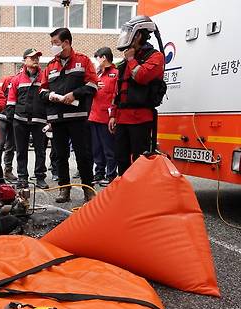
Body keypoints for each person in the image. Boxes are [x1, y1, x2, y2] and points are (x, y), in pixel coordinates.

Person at [39, 28, 98, 203]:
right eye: (52, 44)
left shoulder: (83, 61)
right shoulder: (50, 65)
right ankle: (64, 189)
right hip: (57, 119)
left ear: (66, 43)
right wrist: (48, 95)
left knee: (83, 154)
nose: (53, 47)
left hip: (78, 118)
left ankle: (88, 188)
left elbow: (93, 85)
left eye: (55, 43)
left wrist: (75, 94)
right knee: (60, 155)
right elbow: (42, 89)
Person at [108, 16, 165, 175]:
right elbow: (117, 90)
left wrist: (132, 59)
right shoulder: (125, 61)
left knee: (141, 161)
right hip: (122, 118)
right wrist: (113, 115)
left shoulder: (155, 57)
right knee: (121, 158)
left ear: (138, 35)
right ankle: (124, 192)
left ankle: (140, 194)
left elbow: (142, 76)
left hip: (141, 118)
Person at [7, 48, 48, 189]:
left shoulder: (45, 78)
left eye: (37, 57)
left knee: (41, 151)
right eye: (32, 57)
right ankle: (22, 178)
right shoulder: (16, 79)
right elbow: (11, 100)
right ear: (24, 60)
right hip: (20, 120)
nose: (36, 60)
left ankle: (40, 177)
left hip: (39, 121)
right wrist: (11, 118)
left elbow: (48, 100)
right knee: (21, 150)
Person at [88, 47, 118, 186]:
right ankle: (99, 173)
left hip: (106, 118)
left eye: (97, 58)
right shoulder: (97, 75)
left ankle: (111, 175)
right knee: (97, 149)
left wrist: (113, 115)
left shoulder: (116, 73)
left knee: (109, 148)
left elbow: (115, 97)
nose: (97, 61)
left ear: (104, 57)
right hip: (94, 116)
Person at [0, 74, 16, 181]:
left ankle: (8, 170)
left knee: (11, 145)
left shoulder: (19, 80)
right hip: (2, 116)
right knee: (0, 143)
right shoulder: (7, 79)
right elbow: (0, 96)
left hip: (13, 117)